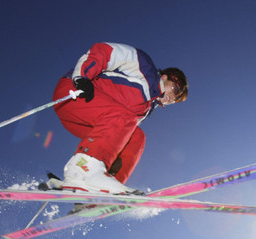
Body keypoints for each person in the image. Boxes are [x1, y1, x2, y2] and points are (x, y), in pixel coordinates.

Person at [52, 42, 188, 194]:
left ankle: (106, 186)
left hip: (91, 120)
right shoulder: (144, 68)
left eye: (177, 99)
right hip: (76, 93)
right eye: (176, 89)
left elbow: (116, 137)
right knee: (125, 118)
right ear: (164, 76)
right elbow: (106, 50)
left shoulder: (146, 109)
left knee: (136, 138)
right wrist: (82, 78)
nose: (173, 97)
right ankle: (82, 170)